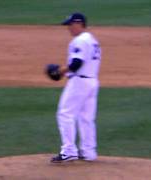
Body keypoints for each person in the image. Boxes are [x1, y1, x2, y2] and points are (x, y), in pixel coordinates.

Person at [51, 12, 102, 163]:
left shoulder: (80, 41)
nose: (68, 28)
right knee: (86, 118)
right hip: (92, 81)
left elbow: (76, 64)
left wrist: (60, 71)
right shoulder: (92, 40)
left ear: (79, 23)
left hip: (79, 82)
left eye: (70, 24)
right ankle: (88, 152)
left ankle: (68, 151)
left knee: (65, 114)